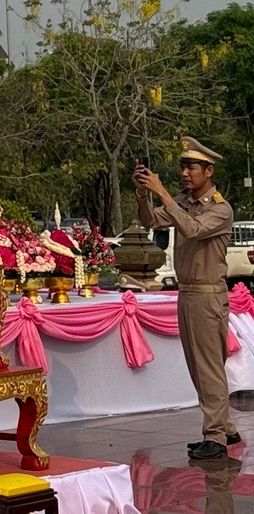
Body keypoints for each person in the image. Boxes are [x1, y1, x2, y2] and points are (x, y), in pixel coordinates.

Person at [134, 137, 237, 459]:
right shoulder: (185, 202)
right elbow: (151, 221)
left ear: (209, 170)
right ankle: (226, 428)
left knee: (209, 368)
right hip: (188, 294)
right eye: (182, 167)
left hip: (208, 296)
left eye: (191, 167)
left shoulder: (219, 208)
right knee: (199, 367)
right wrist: (142, 194)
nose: (184, 173)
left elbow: (191, 230)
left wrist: (161, 192)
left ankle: (216, 435)